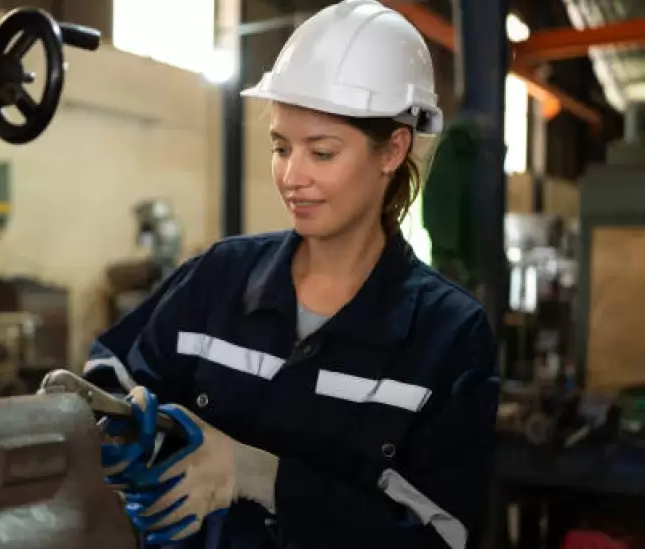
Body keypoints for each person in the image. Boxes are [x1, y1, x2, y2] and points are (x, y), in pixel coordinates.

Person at [82, 1, 500, 548]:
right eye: (281, 147)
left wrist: (262, 478)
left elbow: (444, 537)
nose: (291, 177)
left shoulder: (448, 337)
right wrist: (119, 416)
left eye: (322, 153)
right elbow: (113, 371)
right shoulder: (219, 278)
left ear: (392, 150)